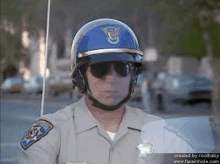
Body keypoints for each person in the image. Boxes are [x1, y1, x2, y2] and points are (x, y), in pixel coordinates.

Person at [18, 18, 195, 164]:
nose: (112, 79)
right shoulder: (53, 133)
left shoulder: (160, 132)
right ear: (81, 76)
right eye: (100, 69)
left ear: (133, 76)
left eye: (122, 69)